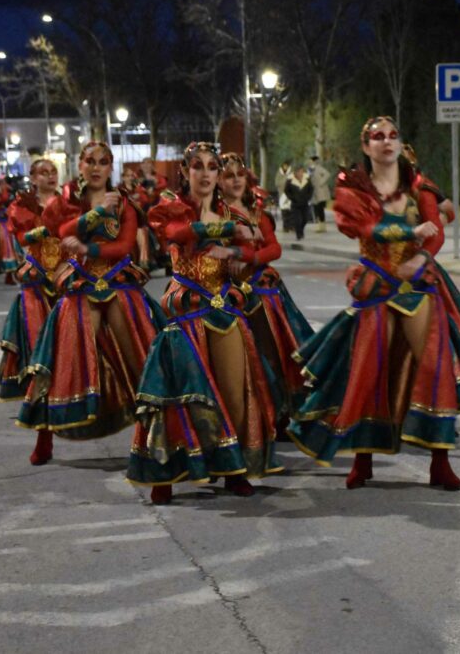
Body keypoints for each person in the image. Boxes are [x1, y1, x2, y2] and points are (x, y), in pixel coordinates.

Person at [288, 116, 460, 490]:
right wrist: (410, 231)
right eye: (377, 137)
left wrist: (422, 257)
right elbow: (365, 228)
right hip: (377, 287)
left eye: (392, 136)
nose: (386, 142)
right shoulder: (353, 189)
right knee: (370, 370)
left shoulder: (418, 184)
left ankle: (440, 460)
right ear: (366, 146)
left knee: (436, 367)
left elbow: (434, 229)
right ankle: (363, 459)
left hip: (418, 288)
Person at [128, 143, 281, 504]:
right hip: (185, 309)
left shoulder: (233, 212)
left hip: (223, 307)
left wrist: (240, 256)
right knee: (178, 395)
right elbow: (177, 235)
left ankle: (234, 469)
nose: (207, 173)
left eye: (213, 166)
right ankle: (166, 474)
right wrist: (228, 231)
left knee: (234, 393)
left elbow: (259, 251)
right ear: (185, 172)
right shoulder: (171, 208)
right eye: (198, 166)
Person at [17, 142, 164, 464]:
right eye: (90, 161)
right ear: (80, 165)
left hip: (118, 283)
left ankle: (152, 439)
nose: (96, 167)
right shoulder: (66, 200)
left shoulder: (123, 202)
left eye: (103, 162)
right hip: (80, 285)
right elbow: (60, 230)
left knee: (142, 359)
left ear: (110, 167)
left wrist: (89, 248)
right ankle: (45, 438)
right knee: (63, 360)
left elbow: (124, 245)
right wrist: (96, 215)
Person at [221, 152, 314, 438]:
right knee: (248, 360)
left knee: (277, 356)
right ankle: (253, 420)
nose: (236, 180)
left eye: (240, 174)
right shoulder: (215, 212)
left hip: (264, 292)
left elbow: (274, 249)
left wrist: (248, 255)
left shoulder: (255, 210)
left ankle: (282, 416)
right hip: (228, 295)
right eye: (228, 175)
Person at [0, 159, 67, 464]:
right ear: (32, 178)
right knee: (43, 364)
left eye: (53, 172)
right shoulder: (21, 206)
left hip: (68, 284)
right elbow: (24, 237)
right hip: (37, 289)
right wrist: (51, 227)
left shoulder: (70, 202)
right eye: (43, 173)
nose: (50, 176)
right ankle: (44, 437)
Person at [284, 165, 313, 240]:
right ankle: (299, 234)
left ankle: (300, 230)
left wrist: (308, 197)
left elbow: (311, 189)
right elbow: (286, 191)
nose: (301, 173)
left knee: (305, 219)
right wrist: (292, 198)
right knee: (297, 220)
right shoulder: (290, 180)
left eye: (302, 171)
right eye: (299, 172)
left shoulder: (307, 179)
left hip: (305, 203)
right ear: (295, 172)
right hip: (295, 204)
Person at [308, 156, 332, 232]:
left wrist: (321, 183)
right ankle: (320, 226)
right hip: (314, 192)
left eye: (311, 161)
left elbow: (327, 174)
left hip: (321, 192)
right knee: (316, 209)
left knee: (320, 209)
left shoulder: (318, 168)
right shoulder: (310, 170)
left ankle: (322, 226)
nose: (309, 162)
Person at [276, 160, 292, 233]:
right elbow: (277, 183)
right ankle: (285, 227)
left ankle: (292, 226)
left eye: (286, 166)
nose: (285, 167)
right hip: (282, 194)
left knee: (291, 211)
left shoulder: (291, 173)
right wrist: (285, 180)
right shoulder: (279, 174)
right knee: (284, 211)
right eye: (284, 166)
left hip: (290, 194)